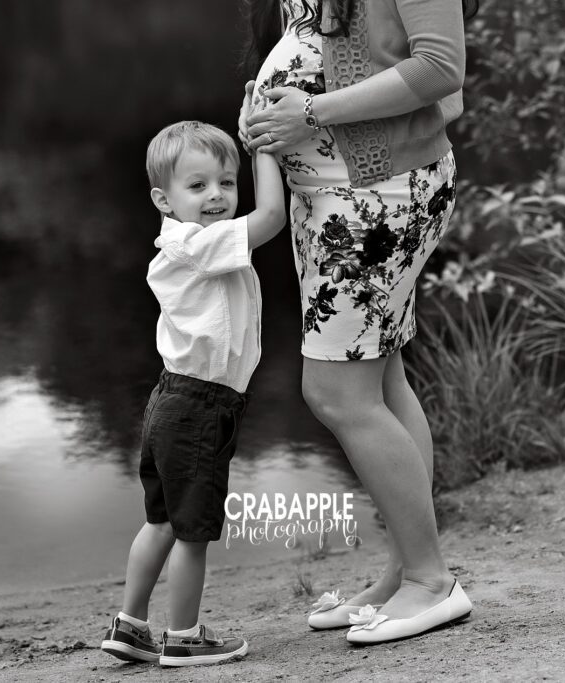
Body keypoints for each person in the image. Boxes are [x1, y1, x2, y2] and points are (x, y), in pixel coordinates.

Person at [237, 0, 478, 645]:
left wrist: (307, 111)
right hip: (327, 198)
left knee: (335, 392)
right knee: (383, 383)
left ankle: (433, 581)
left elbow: (440, 72)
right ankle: (405, 575)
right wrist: (267, 112)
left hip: (378, 197)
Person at [99, 121, 285, 666]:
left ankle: (130, 625)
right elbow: (272, 217)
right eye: (198, 186)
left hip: (172, 400)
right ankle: (183, 637)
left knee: (160, 521)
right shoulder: (200, 244)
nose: (217, 196)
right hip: (199, 406)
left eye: (226, 183)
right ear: (164, 199)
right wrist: (263, 150)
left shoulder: (184, 243)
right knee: (193, 532)